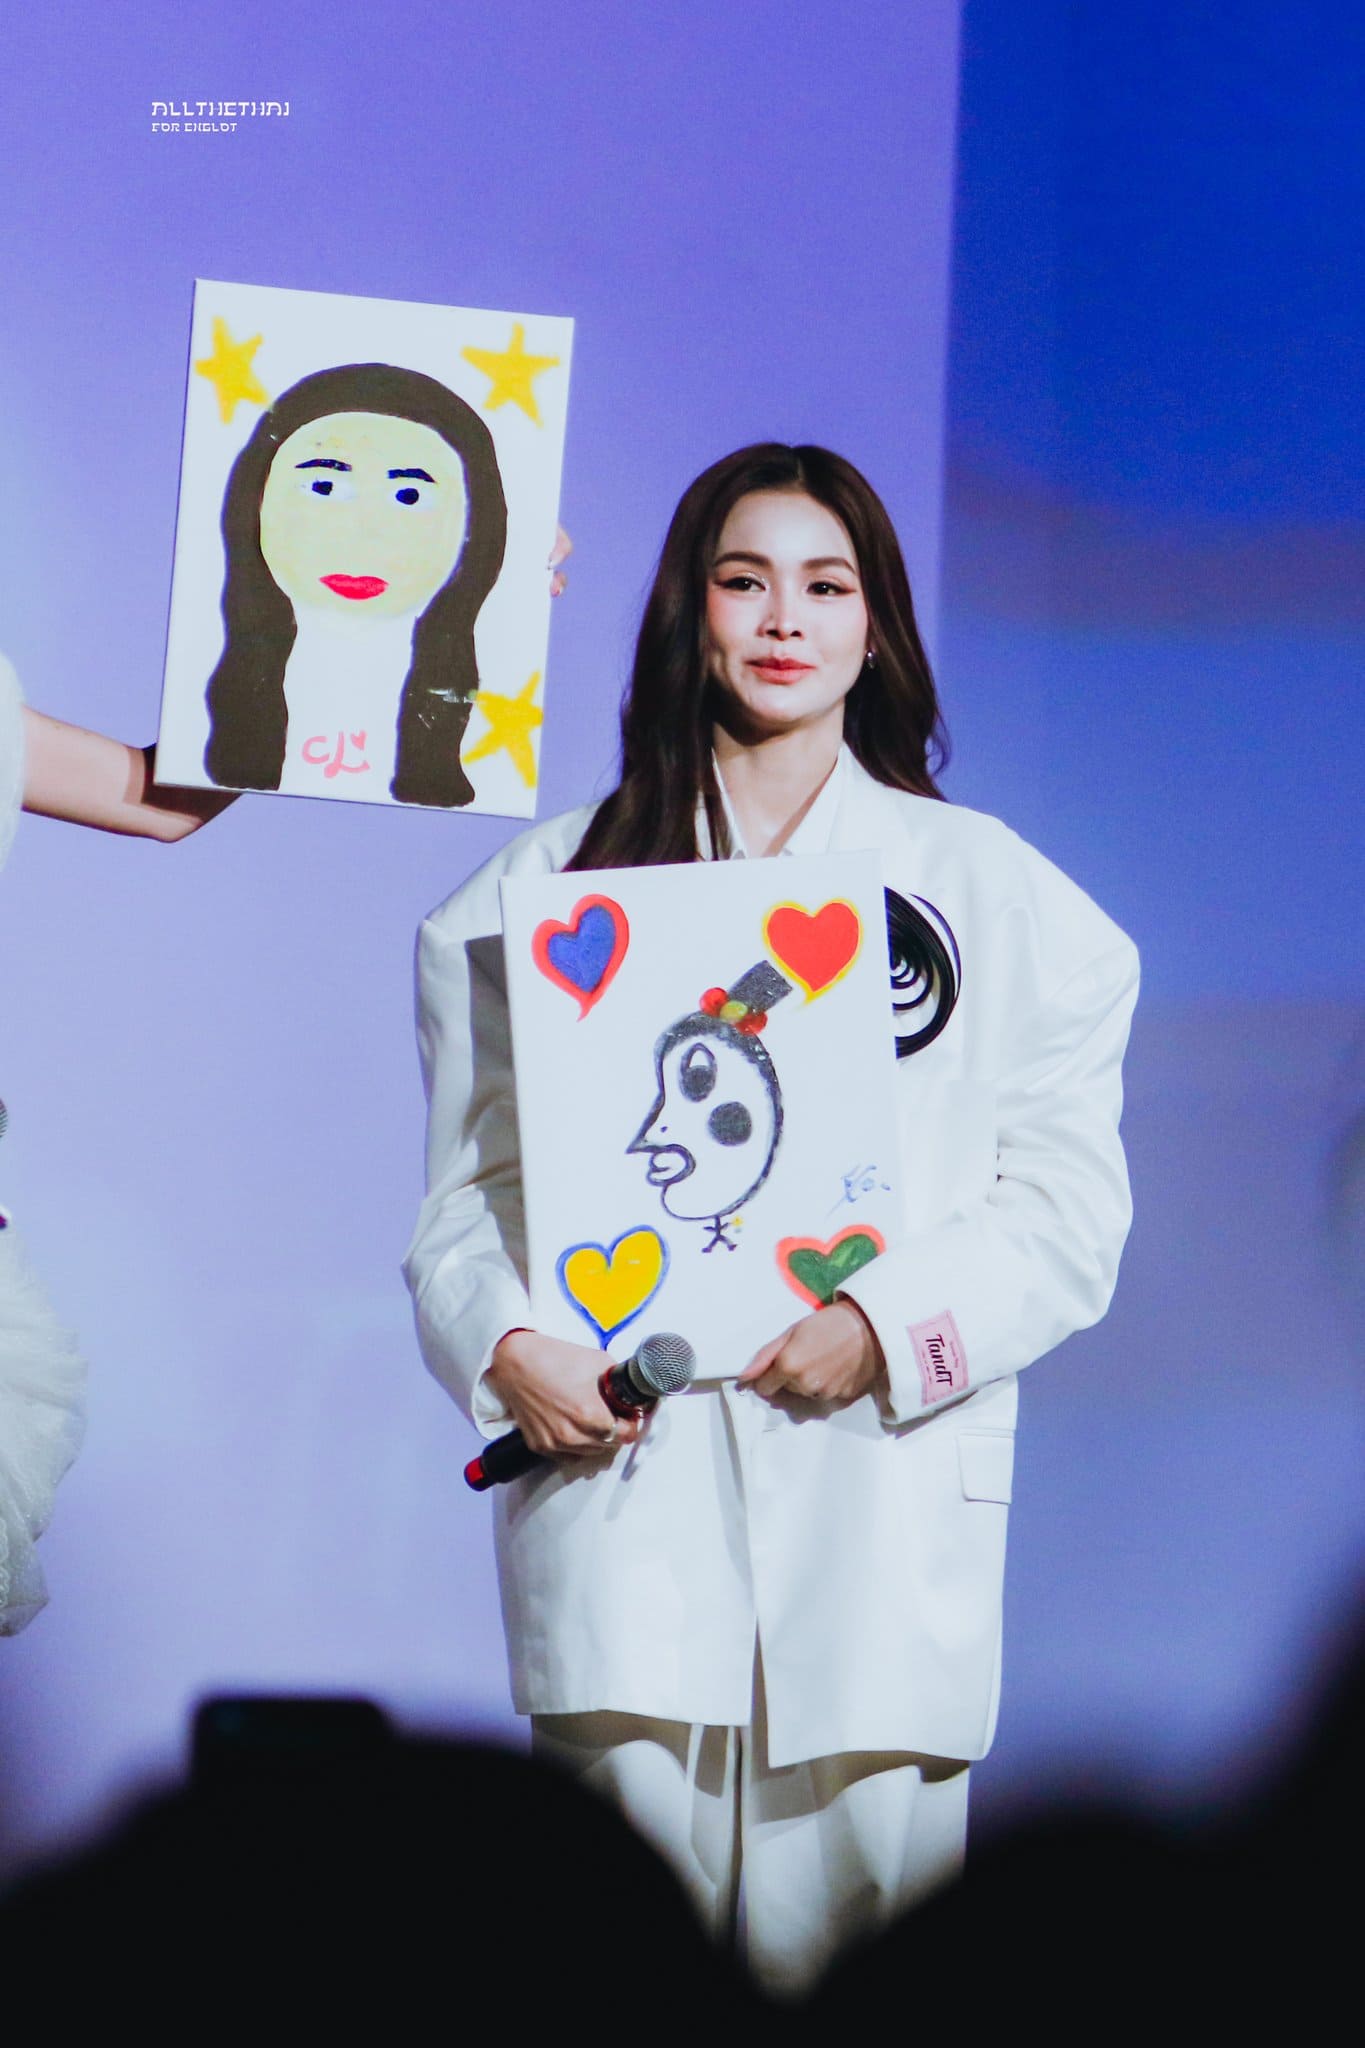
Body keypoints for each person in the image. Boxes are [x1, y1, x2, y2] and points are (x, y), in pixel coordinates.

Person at [402, 445, 1138, 1994]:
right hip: (621, 1514)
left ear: (877, 627)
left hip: (879, 1510)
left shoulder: (1000, 899)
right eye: (745, 581)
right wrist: (512, 1350)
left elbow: (1066, 1210)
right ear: (693, 611)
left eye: (826, 584)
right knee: (603, 1973)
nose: (785, 619)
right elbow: (467, 1204)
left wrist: (882, 1324)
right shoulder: (530, 899)